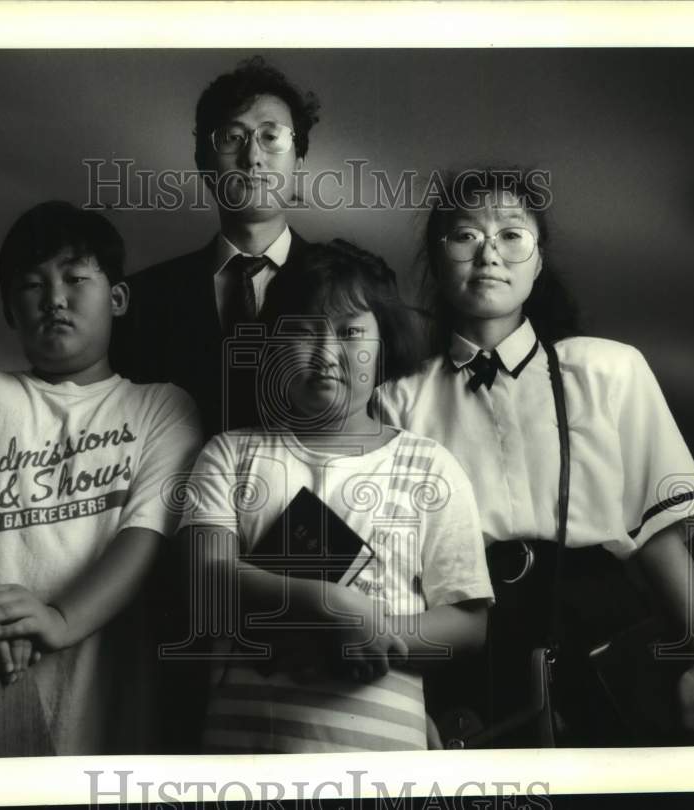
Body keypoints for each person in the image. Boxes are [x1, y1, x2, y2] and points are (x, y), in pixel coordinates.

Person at [373, 168, 694, 745]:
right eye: (464, 235)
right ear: (436, 259)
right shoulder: (397, 401)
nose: (489, 252)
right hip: (473, 635)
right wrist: (406, 702)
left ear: (538, 261)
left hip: (600, 629)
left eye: (512, 235)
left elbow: (658, 530)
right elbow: (395, 576)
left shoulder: (607, 369)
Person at [0, 201, 202, 755]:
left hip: (108, 707)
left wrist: (59, 619)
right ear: (9, 310)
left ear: (117, 298)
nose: (55, 299)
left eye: (75, 278)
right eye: (32, 285)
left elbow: (145, 536)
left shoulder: (163, 408)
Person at [176, 240, 494, 753]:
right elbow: (204, 580)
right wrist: (330, 607)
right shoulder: (231, 454)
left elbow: (467, 624)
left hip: (386, 771)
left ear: (385, 343)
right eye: (305, 331)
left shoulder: (430, 466)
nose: (326, 353)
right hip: (245, 764)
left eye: (350, 332)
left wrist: (368, 633)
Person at [0, 56, 321, 437]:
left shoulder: (351, 288)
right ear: (203, 162)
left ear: (299, 160)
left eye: (272, 137)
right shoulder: (142, 299)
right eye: (233, 136)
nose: (253, 157)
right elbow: (74, 397)